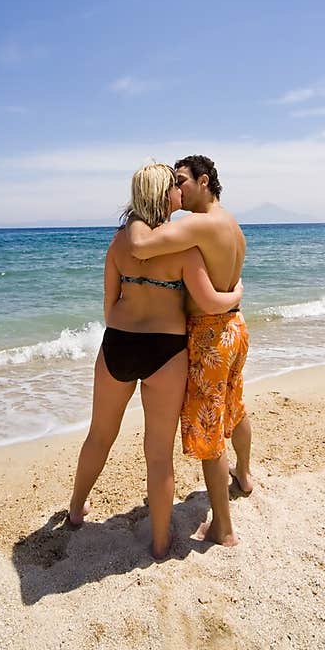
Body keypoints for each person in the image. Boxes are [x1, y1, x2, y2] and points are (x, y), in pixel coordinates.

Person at [68, 162, 243, 559]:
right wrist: (236, 296)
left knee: (99, 434)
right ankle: (161, 544)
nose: (181, 193)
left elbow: (109, 309)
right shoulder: (183, 248)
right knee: (159, 453)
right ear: (165, 195)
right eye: (175, 188)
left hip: (119, 345)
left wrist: (133, 318)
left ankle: (76, 511)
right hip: (166, 352)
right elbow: (211, 301)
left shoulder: (118, 243)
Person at [128, 154, 251, 548]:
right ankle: (244, 476)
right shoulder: (231, 222)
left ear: (204, 180)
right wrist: (234, 294)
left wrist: (133, 213)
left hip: (209, 336)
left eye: (181, 181)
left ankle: (224, 529)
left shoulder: (199, 224)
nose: (176, 189)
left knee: (209, 431)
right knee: (234, 407)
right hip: (235, 326)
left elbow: (142, 246)